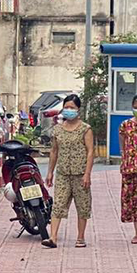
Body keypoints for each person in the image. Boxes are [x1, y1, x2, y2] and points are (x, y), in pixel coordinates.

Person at [43, 94, 95, 248]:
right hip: (63, 174)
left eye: (72, 107)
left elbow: (90, 151)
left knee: (82, 205)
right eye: (66, 107)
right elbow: (54, 151)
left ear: (78, 109)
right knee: (58, 204)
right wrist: (50, 172)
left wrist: (87, 174)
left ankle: (80, 237)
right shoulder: (58, 129)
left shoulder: (85, 129)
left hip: (80, 174)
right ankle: (53, 237)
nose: (69, 110)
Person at [120, 94, 137, 245]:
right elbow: (123, 144)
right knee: (134, 202)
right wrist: (125, 159)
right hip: (131, 169)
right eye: (136, 107)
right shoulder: (125, 125)